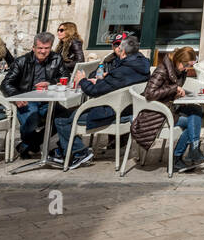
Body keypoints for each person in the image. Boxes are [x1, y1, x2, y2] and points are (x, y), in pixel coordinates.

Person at [51, 32, 150, 169]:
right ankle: (62, 150)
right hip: (130, 110)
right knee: (69, 113)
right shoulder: (142, 65)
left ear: (123, 51)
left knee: (61, 119)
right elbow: (120, 81)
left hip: (110, 112)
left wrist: (82, 81)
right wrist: (105, 78)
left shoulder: (121, 71)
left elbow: (94, 91)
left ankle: (79, 153)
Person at [133, 46, 204, 172]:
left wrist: (175, 93)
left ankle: (193, 149)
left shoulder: (180, 70)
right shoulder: (162, 70)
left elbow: (168, 90)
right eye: (186, 65)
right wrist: (173, 89)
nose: (187, 68)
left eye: (189, 65)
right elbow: (149, 93)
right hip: (156, 113)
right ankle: (178, 157)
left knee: (196, 111)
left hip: (168, 107)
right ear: (178, 60)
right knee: (192, 122)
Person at [1, 32, 64, 158]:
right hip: (27, 100)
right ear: (33, 48)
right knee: (32, 120)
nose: (43, 51)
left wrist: (50, 83)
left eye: (46, 48)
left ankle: (28, 144)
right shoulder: (21, 61)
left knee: (64, 118)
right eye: (40, 48)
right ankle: (32, 144)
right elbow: (5, 84)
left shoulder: (57, 59)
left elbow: (64, 77)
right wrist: (18, 97)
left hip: (48, 101)